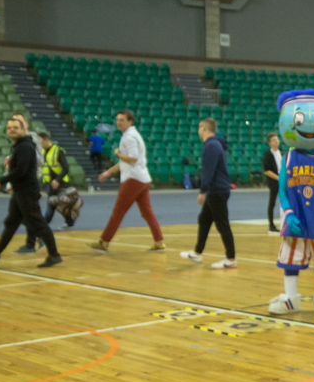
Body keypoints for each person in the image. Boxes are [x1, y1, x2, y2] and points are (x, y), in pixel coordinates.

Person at [0, 114, 61, 269]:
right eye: (9, 128)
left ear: (23, 129)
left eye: (15, 128)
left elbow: (20, 171)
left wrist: (0, 181)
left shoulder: (25, 147)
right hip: (21, 191)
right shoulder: (19, 145)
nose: (12, 130)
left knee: (38, 223)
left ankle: (54, 255)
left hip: (27, 191)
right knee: (11, 223)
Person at [92, 109, 165, 252]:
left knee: (118, 211)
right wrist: (108, 172)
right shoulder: (132, 135)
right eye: (118, 119)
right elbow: (127, 162)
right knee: (147, 213)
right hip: (142, 178)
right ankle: (159, 242)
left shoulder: (129, 137)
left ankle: (104, 242)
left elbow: (133, 158)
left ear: (130, 121)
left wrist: (118, 153)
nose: (118, 122)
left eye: (122, 120)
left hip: (133, 179)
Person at [179, 118, 237, 268]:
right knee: (204, 219)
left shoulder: (211, 146)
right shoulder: (215, 144)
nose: (198, 131)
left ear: (204, 127)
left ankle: (231, 259)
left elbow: (208, 171)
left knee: (222, 224)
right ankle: (197, 253)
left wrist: (202, 191)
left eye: (199, 128)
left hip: (216, 190)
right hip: (217, 189)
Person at [262, 132, 284, 234]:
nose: (277, 141)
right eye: (274, 140)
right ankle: (271, 225)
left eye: (277, 139)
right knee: (272, 202)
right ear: (270, 143)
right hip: (274, 182)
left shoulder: (281, 151)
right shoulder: (267, 154)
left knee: (286, 201)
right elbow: (267, 170)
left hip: (283, 180)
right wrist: (278, 178)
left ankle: (285, 223)